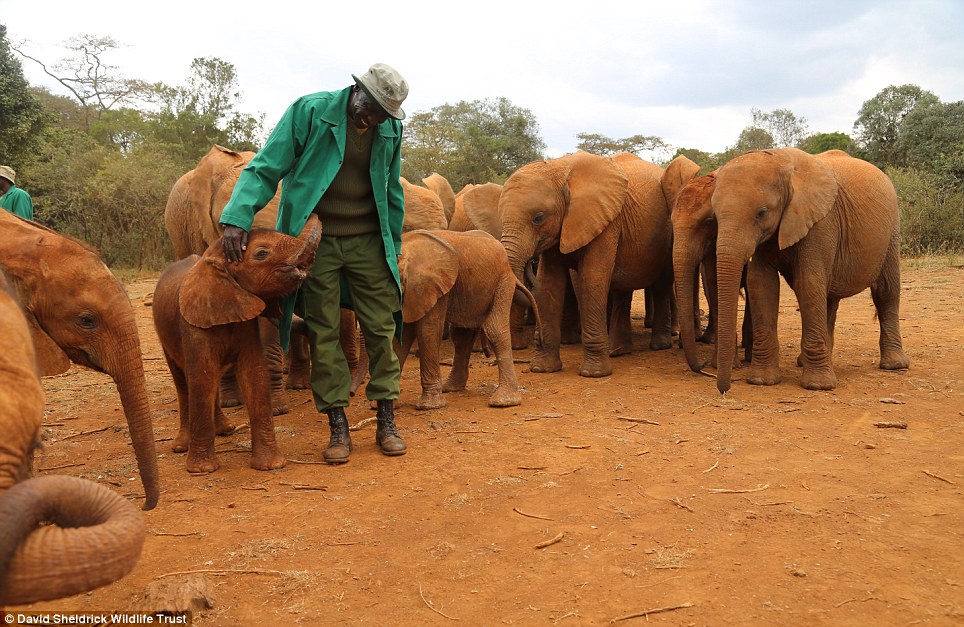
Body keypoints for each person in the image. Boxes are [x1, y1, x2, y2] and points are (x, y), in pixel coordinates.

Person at [219, 63, 409, 464]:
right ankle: (337, 426)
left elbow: (392, 190)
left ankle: (386, 420)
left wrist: (394, 247)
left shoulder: (390, 128)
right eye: (369, 108)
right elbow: (266, 166)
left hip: (369, 242)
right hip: (314, 243)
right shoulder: (310, 111)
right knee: (324, 333)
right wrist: (237, 217)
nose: (372, 119)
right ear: (356, 91)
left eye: (382, 115)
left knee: (381, 327)